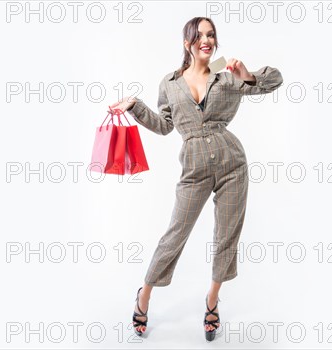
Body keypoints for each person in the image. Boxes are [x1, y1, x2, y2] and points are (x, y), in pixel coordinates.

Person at [109, 16, 283, 341]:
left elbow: (274, 80)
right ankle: (144, 294)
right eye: (200, 35)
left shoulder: (225, 74)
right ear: (186, 41)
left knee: (226, 236)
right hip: (194, 167)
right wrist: (135, 106)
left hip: (232, 162)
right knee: (175, 234)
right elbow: (163, 126)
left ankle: (212, 301)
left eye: (212, 34)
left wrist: (247, 77)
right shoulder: (170, 83)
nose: (207, 40)